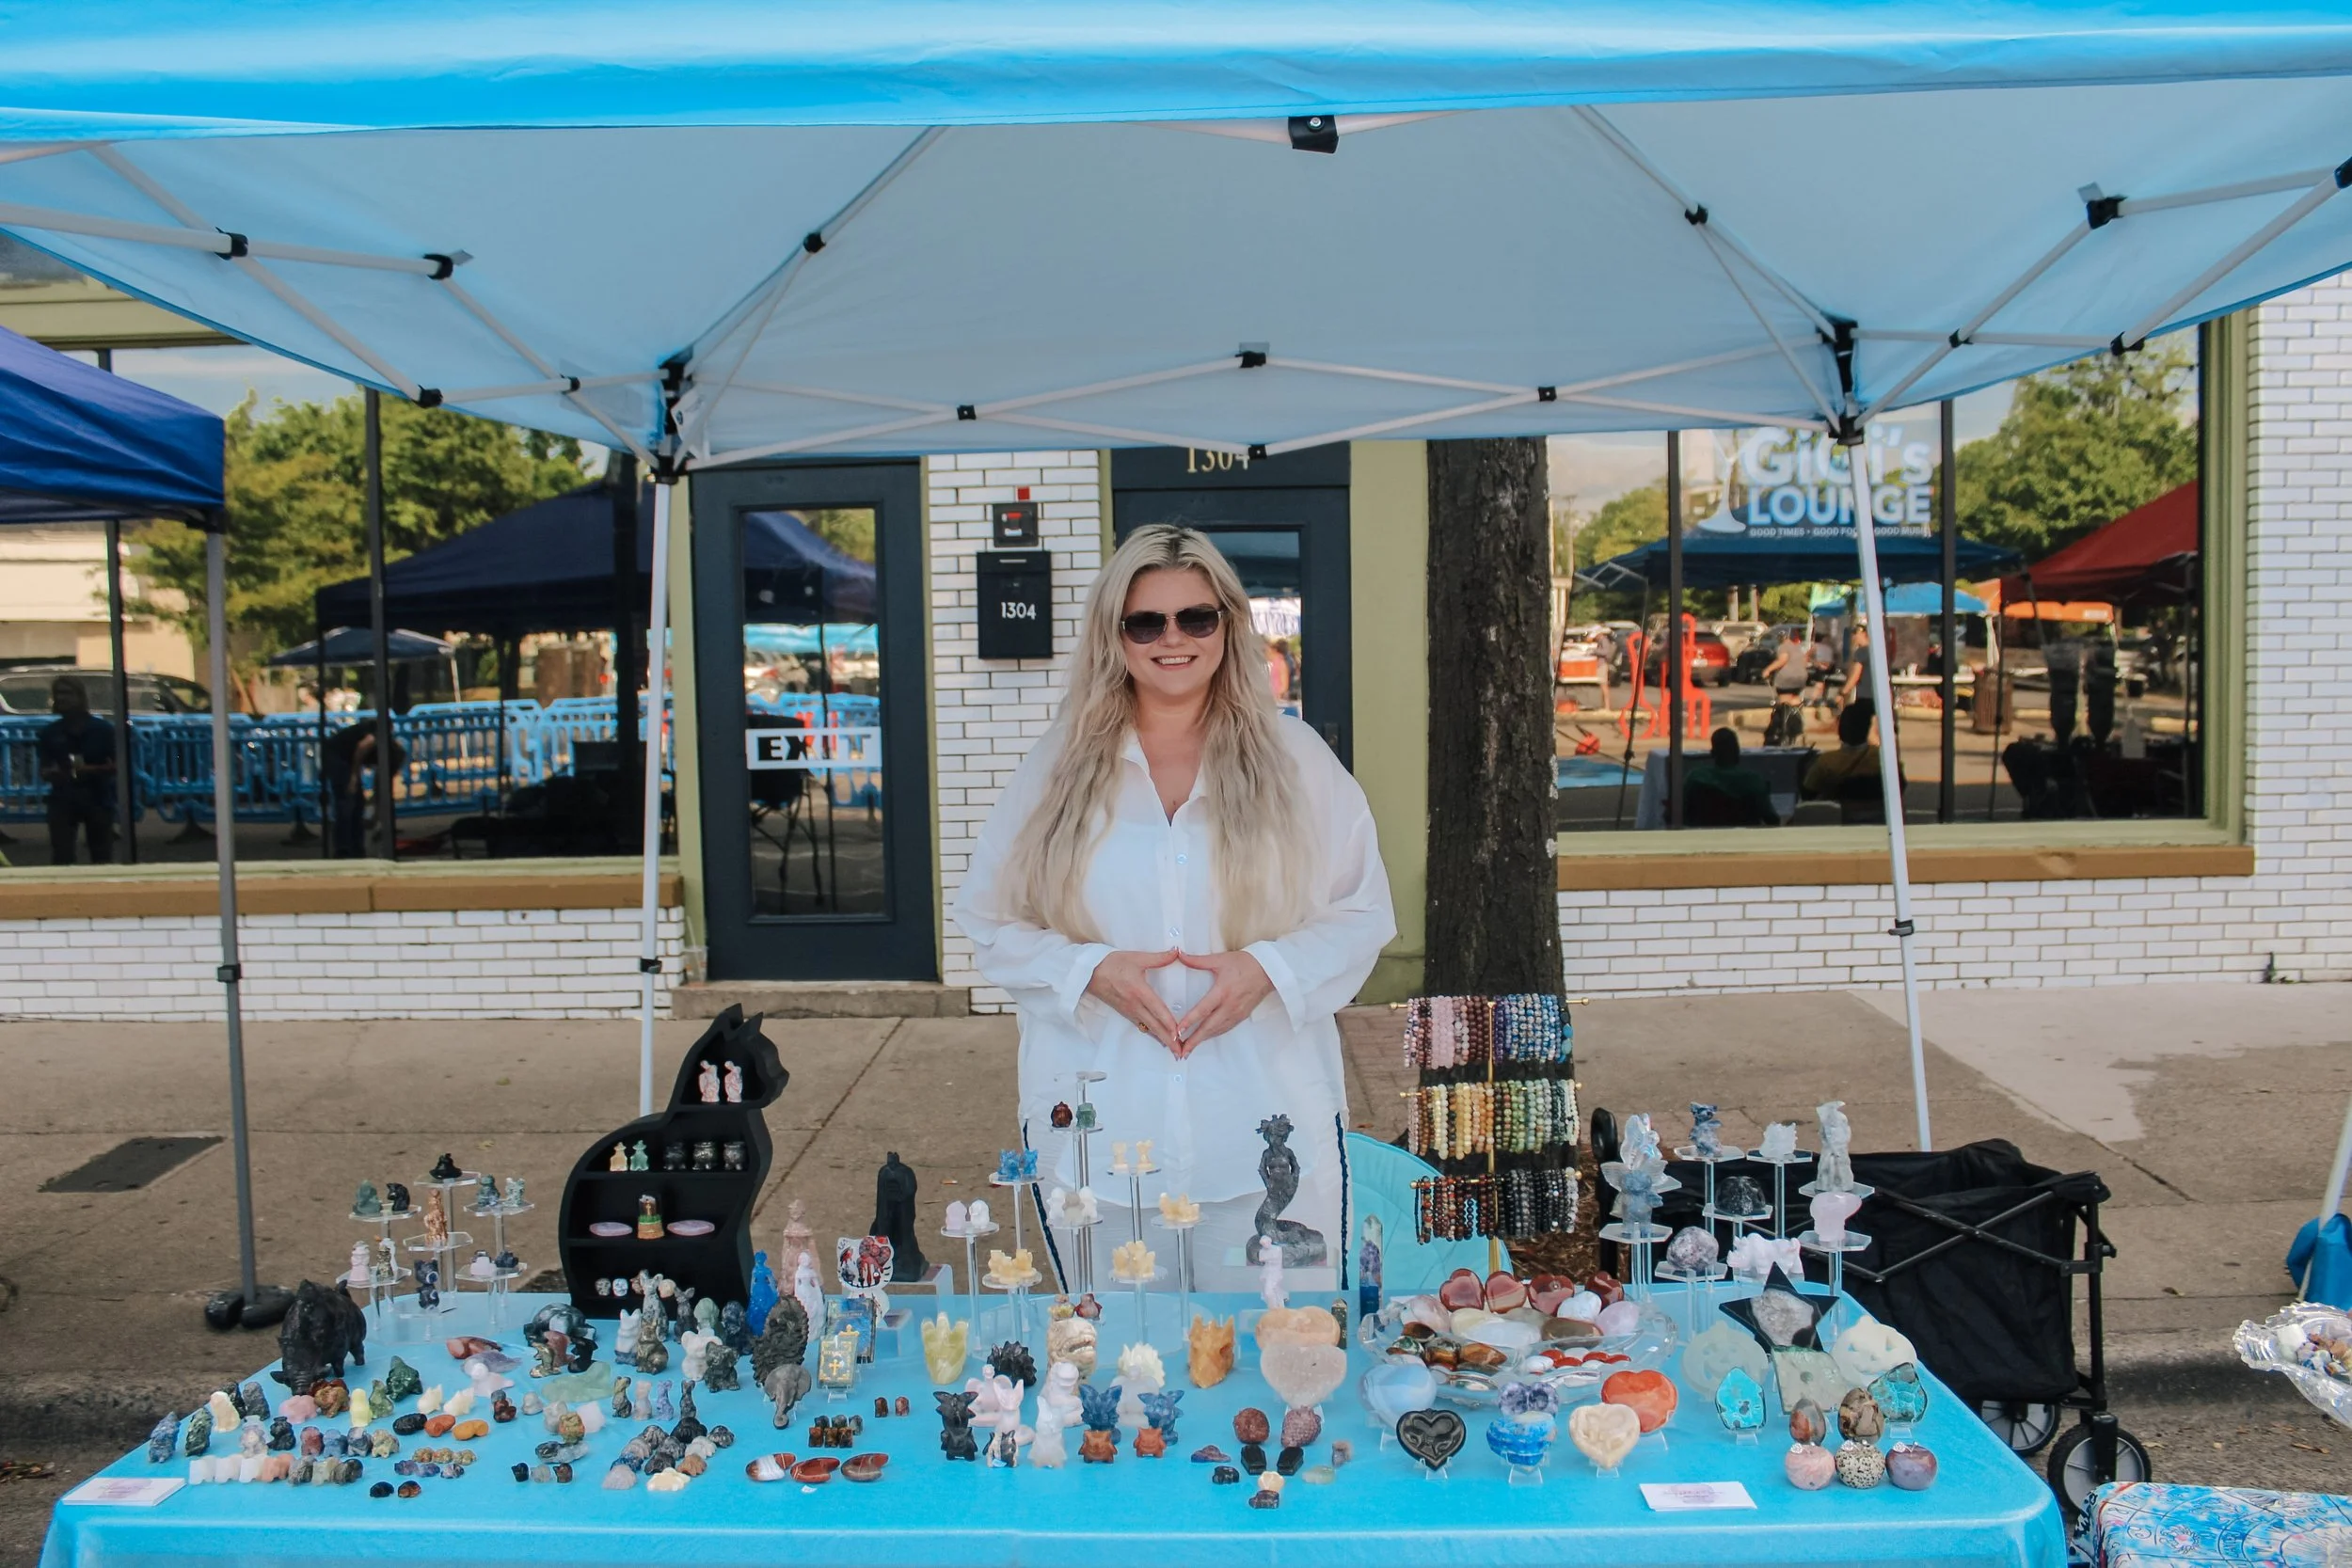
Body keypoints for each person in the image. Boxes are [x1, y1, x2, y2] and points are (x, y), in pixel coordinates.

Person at [954, 525, 1395, 1290]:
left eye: (1197, 616)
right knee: (1120, 1382)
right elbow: (988, 919)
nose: (1173, 638)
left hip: (1265, 1148)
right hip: (1103, 1148)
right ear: (1113, 635)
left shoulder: (1299, 765)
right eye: (1145, 621)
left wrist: (1268, 967)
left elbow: (1364, 910)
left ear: (1228, 623)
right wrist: (1089, 970)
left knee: (1277, 1372)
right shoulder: (1056, 771)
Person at [39, 676, 115, 864]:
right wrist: (53, 773)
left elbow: (118, 766)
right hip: (63, 797)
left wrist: (91, 769)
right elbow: (43, 770)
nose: (62, 698)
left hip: (97, 796)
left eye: (67, 693)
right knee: (62, 856)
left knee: (101, 855)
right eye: (58, 694)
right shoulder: (49, 733)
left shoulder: (103, 730)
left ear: (80, 696)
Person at [1802, 700, 1904, 823]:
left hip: (1839, 821)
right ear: (1867, 728)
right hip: (1880, 820)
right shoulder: (1884, 759)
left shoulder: (1825, 762)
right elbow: (1900, 786)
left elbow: (1808, 794)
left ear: (1840, 730)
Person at [324, 720, 406, 858]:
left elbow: (379, 788)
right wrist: (354, 776)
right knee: (346, 802)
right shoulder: (375, 739)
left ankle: (357, 848)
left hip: (345, 756)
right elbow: (362, 747)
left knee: (357, 804)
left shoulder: (385, 748)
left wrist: (376, 816)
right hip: (338, 756)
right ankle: (343, 849)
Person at [1682, 726, 1777, 826]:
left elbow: (1680, 813)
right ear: (1737, 751)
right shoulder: (1753, 781)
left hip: (1703, 837)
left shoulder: (1696, 778)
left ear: (1713, 753)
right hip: (1745, 838)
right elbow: (1771, 819)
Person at [1759, 629, 1810, 746]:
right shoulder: (1798, 648)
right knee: (1795, 700)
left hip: (1787, 678)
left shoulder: (1783, 647)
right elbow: (1804, 662)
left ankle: (1783, 728)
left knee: (1784, 701)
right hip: (1800, 678)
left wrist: (1767, 670)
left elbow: (1782, 660)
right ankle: (1796, 726)